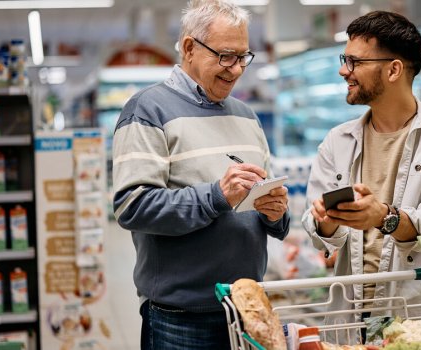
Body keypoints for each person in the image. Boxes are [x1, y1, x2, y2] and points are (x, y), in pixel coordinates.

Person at [112, 1, 290, 349]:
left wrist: (276, 215)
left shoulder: (247, 116)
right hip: (182, 319)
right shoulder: (147, 109)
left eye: (243, 57)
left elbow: (263, 206)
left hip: (246, 308)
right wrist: (216, 196)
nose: (236, 69)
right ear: (190, 48)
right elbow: (132, 206)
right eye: (225, 56)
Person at [302, 10, 421, 325]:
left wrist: (383, 217)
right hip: (350, 316)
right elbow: (320, 235)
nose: (344, 71)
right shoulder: (338, 140)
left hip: (415, 316)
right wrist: (326, 220)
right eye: (344, 60)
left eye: (356, 62)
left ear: (394, 70)